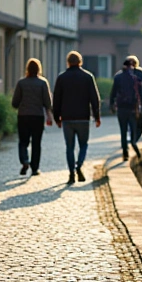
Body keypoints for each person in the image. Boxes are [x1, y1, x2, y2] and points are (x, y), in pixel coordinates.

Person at [51, 51, 102, 184]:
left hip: (67, 118)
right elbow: (95, 99)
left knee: (69, 147)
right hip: (83, 117)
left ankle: (71, 173)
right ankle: (78, 165)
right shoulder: (88, 76)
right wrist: (97, 116)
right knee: (83, 145)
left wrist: (57, 117)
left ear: (68, 62)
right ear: (80, 62)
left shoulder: (62, 78)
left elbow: (56, 100)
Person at [11, 58, 53, 176]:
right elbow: (48, 102)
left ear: (27, 69)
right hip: (38, 116)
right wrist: (49, 115)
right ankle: (35, 168)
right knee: (36, 143)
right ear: (39, 69)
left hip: (23, 116)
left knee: (23, 141)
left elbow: (15, 103)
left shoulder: (21, 83)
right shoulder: (43, 83)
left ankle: (24, 160)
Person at [108, 59, 142, 161]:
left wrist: (111, 105)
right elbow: (141, 94)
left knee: (123, 130)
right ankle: (133, 143)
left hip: (121, 108)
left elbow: (113, 92)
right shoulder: (136, 79)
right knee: (134, 128)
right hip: (133, 108)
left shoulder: (118, 77)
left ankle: (125, 152)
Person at [125, 55, 142, 142]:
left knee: (130, 120)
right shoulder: (141, 73)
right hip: (137, 101)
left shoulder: (122, 74)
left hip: (126, 102)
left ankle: (131, 136)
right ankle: (134, 138)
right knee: (138, 122)